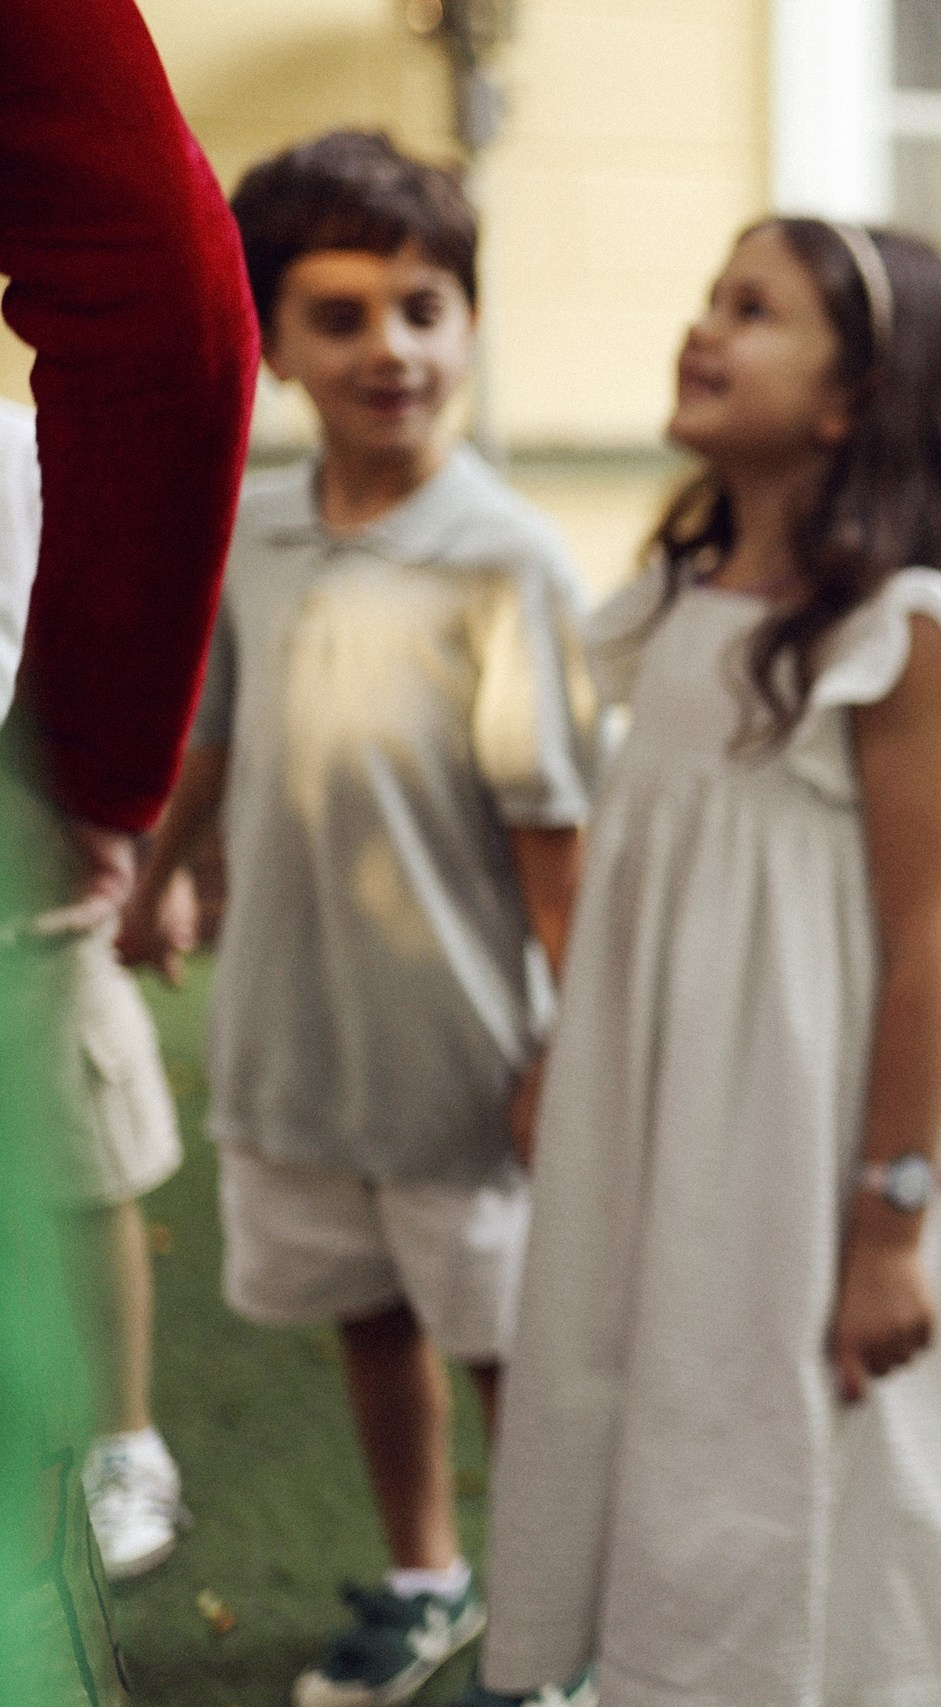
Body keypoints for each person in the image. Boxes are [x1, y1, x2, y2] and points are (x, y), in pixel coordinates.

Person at [478, 218, 941, 1707]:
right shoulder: (679, 596)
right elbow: (640, 868)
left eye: (754, 310)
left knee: (780, 1423)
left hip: (813, 1126)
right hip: (661, 1096)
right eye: (709, 297)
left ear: (853, 397)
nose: (703, 328)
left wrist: (892, 1219)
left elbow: (928, 940)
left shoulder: (893, 632)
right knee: (654, 1377)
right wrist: (570, 1042)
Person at [114, 130, 594, 1707]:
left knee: (512, 1347)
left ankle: (554, 1630)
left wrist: (567, 1047)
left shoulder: (507, 558)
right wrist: (163, 868)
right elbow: (218, 733)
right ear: (279, 338)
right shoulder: (252, 530)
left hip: (462, 1061)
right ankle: (424, 1573)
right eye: (341, 314)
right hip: (298, 1036)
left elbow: (554, 842)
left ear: (465, 321)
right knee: (371, 1316)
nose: (391, 346)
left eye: (424, 304)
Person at [0, 398, 196, 1588]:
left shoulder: (34, 443)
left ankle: (126, 1440)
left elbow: (130, 653)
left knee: (85, 1168)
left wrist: (151, 859)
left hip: (35, 889)